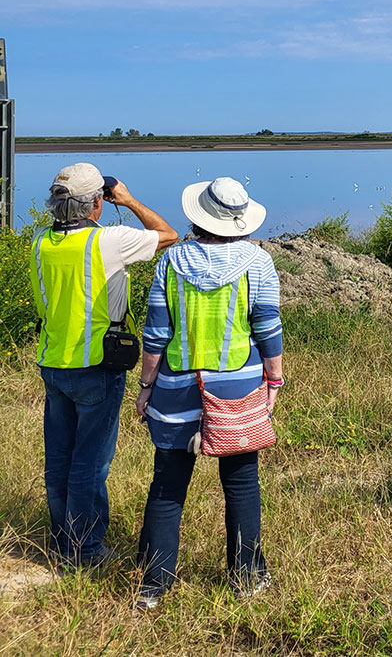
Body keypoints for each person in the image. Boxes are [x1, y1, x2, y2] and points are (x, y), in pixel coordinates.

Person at [134, 177, 283, 608]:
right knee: (241, 483)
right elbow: (268, 329)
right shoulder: (258, 262)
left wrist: (146, 387)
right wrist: (273, 381)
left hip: (177, 388)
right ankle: (248, 577)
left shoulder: (171, 261)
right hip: (237, 387)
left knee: (167, 486)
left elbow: (156, 334)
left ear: (200, 216)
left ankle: (153, 585)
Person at [29, 163, 176, 566]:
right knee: (90, 464)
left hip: (53, 363)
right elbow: (168, 235)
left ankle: (62, 542)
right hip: (96, 364)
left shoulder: (40, 241)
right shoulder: (107, 242)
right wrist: (126, 200)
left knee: (59, 460)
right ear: (97, 203)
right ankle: (86, 550)